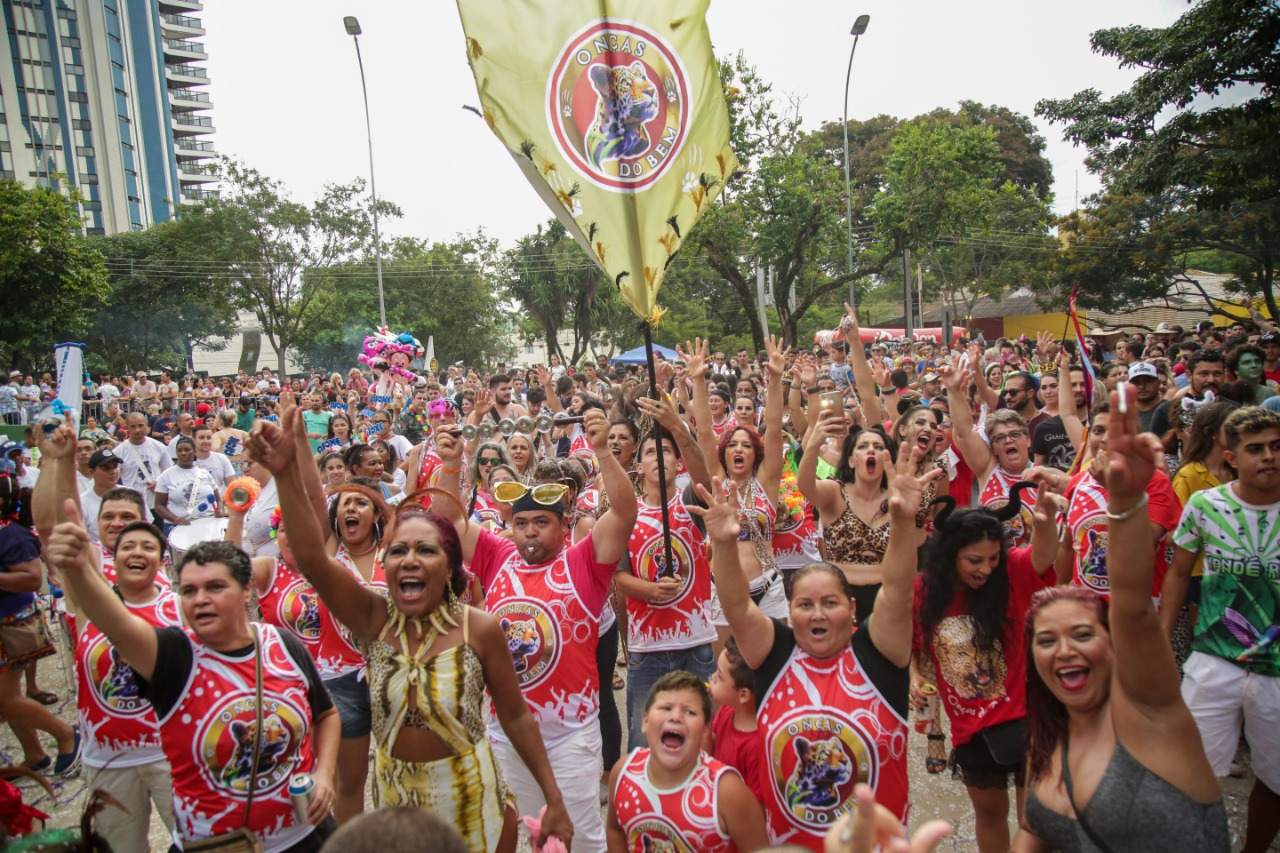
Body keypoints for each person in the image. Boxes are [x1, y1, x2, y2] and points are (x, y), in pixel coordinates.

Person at [249, 407, 572, 853]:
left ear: (449, 566)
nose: (411, 559)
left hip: (472, 794)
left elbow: (516, 716)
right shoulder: (372, 616)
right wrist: (283, 472)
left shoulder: (479, 628)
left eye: (426, 550)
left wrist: (554, 797)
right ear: (387, 564)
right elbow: (312, 560)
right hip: (396, 803)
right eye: (399, 549)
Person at [1012, 384, 1229, 853]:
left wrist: (1128, 503)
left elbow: (1129, 601)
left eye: (1083, 634)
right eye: (1046, 641)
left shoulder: (1154, 717)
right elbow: (1031, 831)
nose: (1065, 649)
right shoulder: (1044, 739)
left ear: (1109, 642)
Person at [697, 442, 941, 849]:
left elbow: (898, 590)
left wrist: (901, 522)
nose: (817, 615)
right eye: (805, 605)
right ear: (789, 612)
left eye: (830, 603)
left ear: (851, 608)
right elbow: (737, 605)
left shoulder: (879, 655)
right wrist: (723, 544)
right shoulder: (774, 655)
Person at [47, 515, 340, 853]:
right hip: (214, 845)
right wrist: (79, 570)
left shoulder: (283, 645)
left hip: (305, 838)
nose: (200, 599)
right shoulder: (173, 656)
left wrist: (324, 774)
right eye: (189, 590)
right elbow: (113, 620)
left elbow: (326, 715)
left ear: (247, 590)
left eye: (215, 587)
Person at [435, 407, 637, 853]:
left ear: (564, 527)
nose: (529, 533)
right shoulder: (496, 556)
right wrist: (451, 465)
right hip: (505, 734)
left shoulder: (584, 562)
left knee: (578, 838)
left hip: (570, 737)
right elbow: (447, 525)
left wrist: (601, 450)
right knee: (530, 833)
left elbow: (624, 512)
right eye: (521, 523)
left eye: (541, 523)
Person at [911, 484, 1058, 853]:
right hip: (971, 729)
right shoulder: (925, 591)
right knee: (990, 817)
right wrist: (915, 676)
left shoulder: (1012, 575)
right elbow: (913, 645)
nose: (986, 568)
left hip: (1028, 717)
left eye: (993, 558)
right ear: (950, 556)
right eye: (975, 560)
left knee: (1033, 822)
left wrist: (1046, 521)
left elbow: (1042, 555)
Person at [1159, 406, 1280, 853]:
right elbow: (1178, 572)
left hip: (1278, 671)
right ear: (1231, 456)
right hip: (1214, 659)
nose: (1268, 457)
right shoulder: (1206, 505)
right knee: (1188, 773)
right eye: (1255, 449)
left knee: (1276, 778)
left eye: (1276, 446)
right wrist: (1162, 634)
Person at [616, 394, 714, 752]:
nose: (660, 458)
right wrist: (648, 590)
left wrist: (676, 426)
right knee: (644, 745)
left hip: (696, 645)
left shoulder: (690, 502)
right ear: (638, 467)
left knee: (702, 741)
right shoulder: (627, 515)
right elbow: (620, 578)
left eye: (667, 452)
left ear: (678, 463)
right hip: (647, 649)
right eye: (650, 453)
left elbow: (706, 475)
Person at [605, 670, 769, 853]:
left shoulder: (727, 793)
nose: (675, 717)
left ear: (706, 730)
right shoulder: (623, 774)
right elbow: (615, 830)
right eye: (666, 708)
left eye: (690, 712)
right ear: (645, 721)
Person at [0, 474, 80, 776]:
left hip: (12, 623)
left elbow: (33, 578)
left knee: (6, 700)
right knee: (6, 699)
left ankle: (66, 735)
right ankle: (35, 756)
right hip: (5, 621)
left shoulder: (13, 535)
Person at [798, 411, 896, 620]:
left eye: (879, 447)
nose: (871, 450)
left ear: (887, 459)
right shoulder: (835, 492)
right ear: (851, 461)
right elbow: (805, 485)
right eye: (863, 446)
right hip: (838, 598)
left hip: (887, 599)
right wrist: (814, 443)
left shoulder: (896, 498)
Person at [708, 637, 763, 800]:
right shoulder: (727, 710)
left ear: (743, 694)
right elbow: (711, 748)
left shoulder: (756, 745)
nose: (712, 678)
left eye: (719, 675)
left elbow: (757, 808)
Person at [116, 412, 171, 516]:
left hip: (156, 504)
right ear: (127, 428)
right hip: (132, 505)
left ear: (146, 425)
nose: (137, 430)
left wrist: (159, 482)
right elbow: (114, 479)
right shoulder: (119, 452)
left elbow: (169, 471)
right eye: (133, 426)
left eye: (141, 425)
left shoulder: (158, 446)